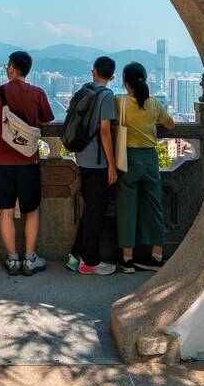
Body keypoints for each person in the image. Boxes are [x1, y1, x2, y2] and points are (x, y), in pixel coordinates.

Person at [0, 50, 54, 275]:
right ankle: (30, 259)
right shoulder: (37, 93)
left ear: (11, 67)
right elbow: (47, 119)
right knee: (32, 211)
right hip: (28, 161)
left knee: (6, 211)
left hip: (2, 162)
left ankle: (13, 259)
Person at [116, 61, 173, 273]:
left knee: (126, 209)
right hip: (150, 159)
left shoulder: (119, 102)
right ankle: (157, 256)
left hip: (127, 158)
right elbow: (170, 125)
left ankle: (128, 259)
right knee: (154, 207)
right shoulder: (154, 104)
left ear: (125, 81)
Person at [65, 56, 120, 276]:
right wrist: (112, 164)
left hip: (82, 157)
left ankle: (74, 256)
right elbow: (105, 130)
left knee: (90, 210)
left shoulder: (85, 90)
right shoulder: (106, 96)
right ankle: (90, 261)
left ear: (93, 71)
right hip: (98, 161)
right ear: (113, 76)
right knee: (95, 213)